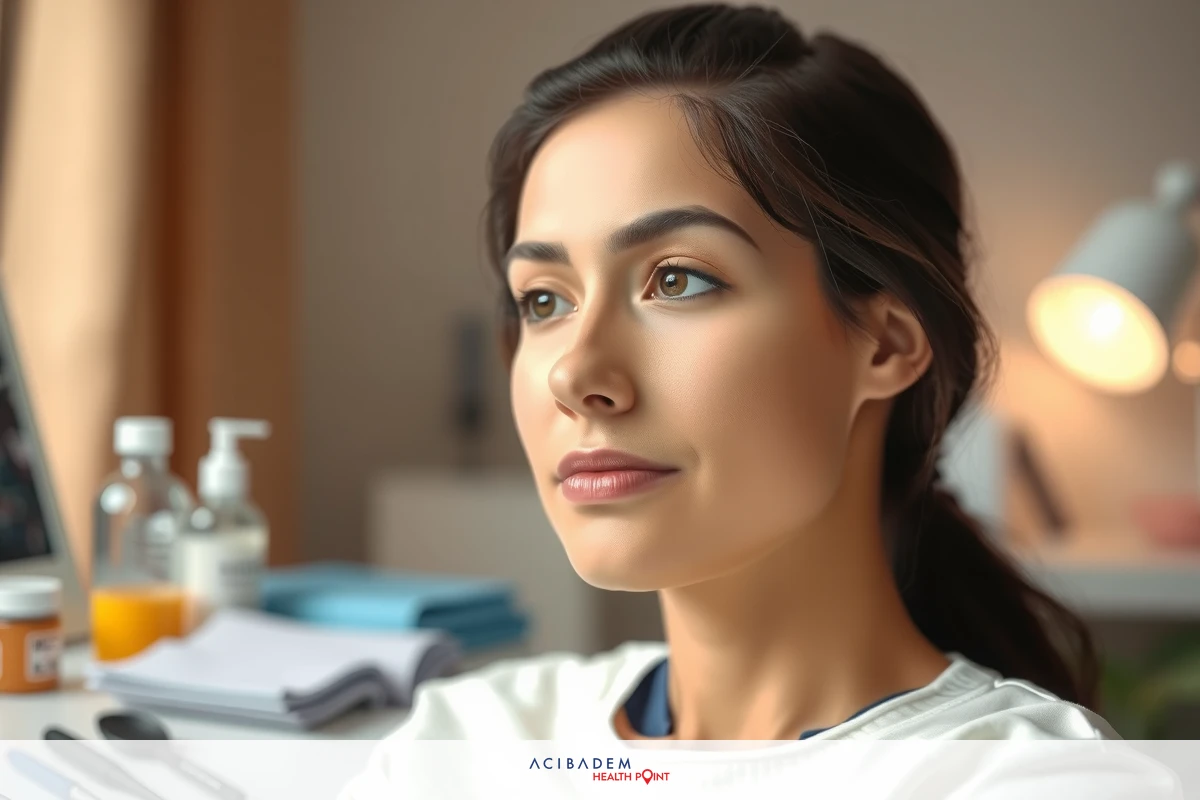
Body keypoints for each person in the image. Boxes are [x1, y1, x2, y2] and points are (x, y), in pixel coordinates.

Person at [344, 5, 1140, 794]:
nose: (574, 374)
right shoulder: (467, 743)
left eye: (677, 280)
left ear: (889, 343)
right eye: (545, 300)